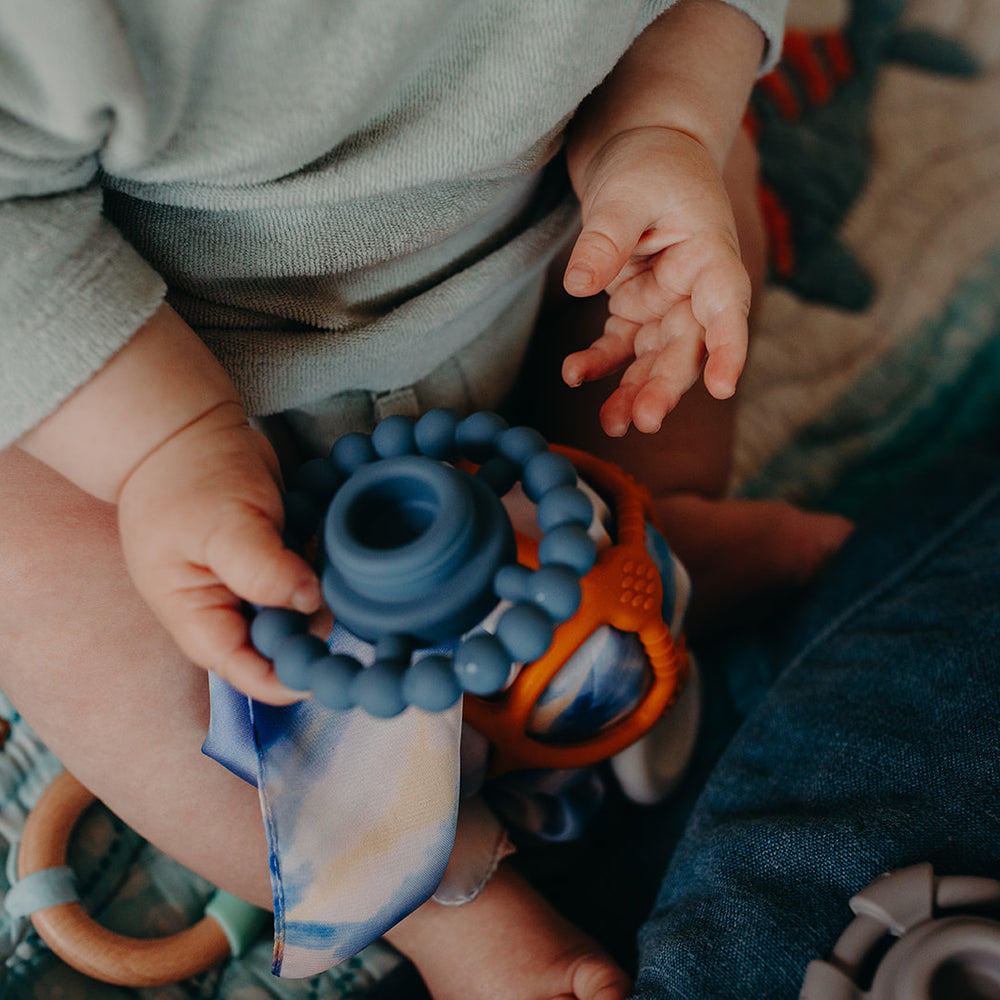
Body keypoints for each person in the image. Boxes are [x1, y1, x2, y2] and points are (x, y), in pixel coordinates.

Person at [0, 1, 850, 998]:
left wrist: (662, 125)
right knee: (35, 563)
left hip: (544, 261)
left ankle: (653, 513)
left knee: (695, 218)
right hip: (150, 390)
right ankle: (444, 896)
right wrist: (163, 447)